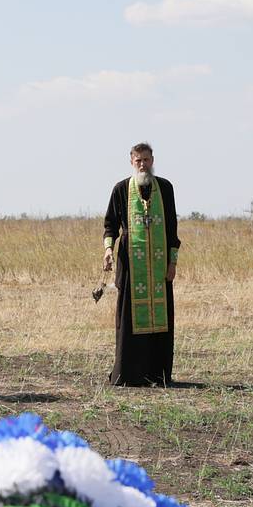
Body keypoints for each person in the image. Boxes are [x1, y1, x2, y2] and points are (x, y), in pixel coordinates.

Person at [102, 142, 179, 386]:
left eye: (146, 160)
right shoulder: (121, 189)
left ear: (152, 160)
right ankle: (128, 374)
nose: (143, 164)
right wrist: (107, 250)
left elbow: (172, 229)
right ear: (131, 162)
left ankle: (158, 375)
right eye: (138, 161)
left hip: (158, 268)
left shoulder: (165, 188)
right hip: (131, 267)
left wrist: (172, 262)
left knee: (161, 320)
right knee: (128, 321)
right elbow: (110, 225)